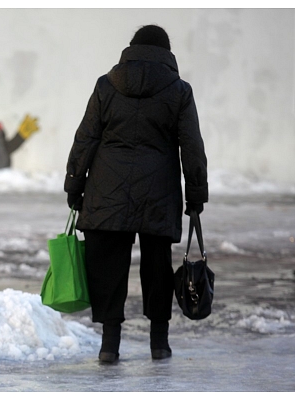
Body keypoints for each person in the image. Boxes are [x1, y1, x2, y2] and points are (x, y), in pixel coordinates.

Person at [64, 25, 208, 363]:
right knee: (157, 267)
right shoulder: (179, 91)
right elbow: (192, 147)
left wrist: (74, 184)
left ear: (131, 48)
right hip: (158, 193)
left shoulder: (106, 85)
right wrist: (196, 195)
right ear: (167, 53)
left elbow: (85, 139)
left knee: (108, 266)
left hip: (106, 188)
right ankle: (159, 343)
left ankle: (109, 346)